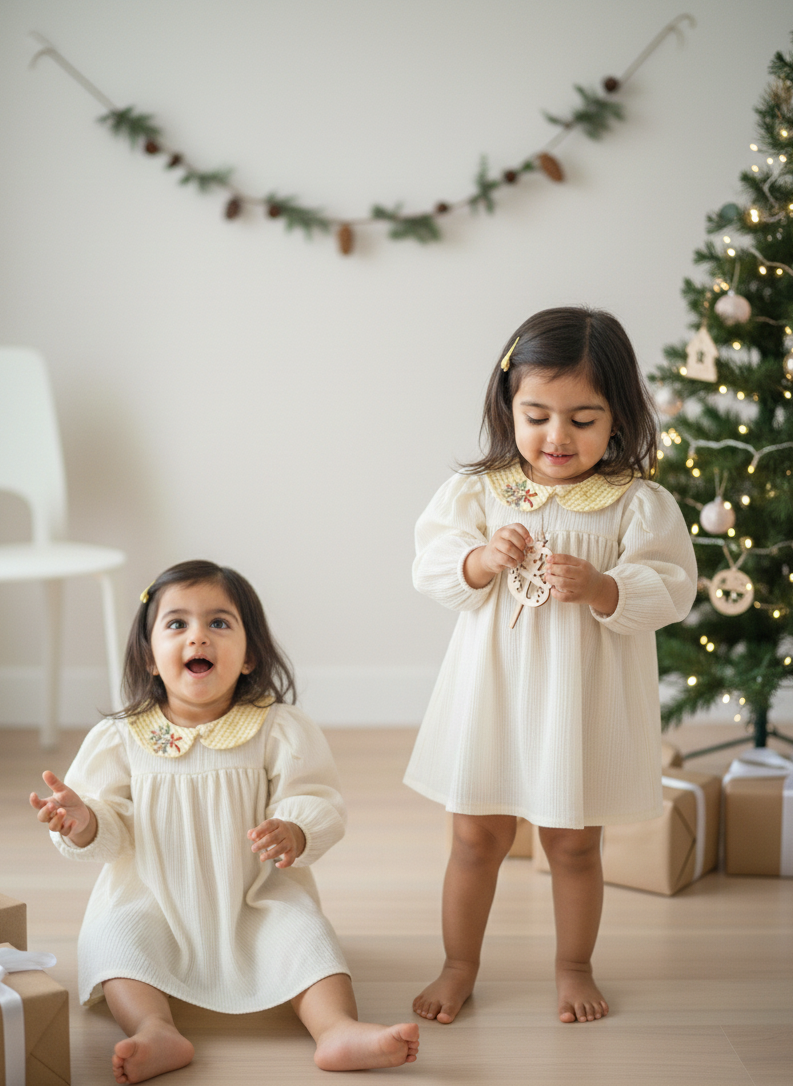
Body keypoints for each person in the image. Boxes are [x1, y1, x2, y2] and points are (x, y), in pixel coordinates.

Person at [405, 307, 697, 1026]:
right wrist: (479, 560)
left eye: (582, 418)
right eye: (535, 415)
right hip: (492, 695)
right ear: (507, 407)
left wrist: (602, 587)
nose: (557, 437)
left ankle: (574, 966)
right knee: (475, 837)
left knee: (572, 843)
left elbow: (671, 587)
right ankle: (458, 962)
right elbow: (433, 566)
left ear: (619, 417)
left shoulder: (636, 503)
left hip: (580, 699)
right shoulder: (478, 492)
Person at [31, 560, 419, 1083]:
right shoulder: (120, 737)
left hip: (254, 896)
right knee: (111, 939)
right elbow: (110, 825)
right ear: (149, 657)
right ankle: (155, 1029)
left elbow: (318, 797)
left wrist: (295, 829)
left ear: (250, 655)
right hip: (151, 898)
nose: (199, 637)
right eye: (177, 624)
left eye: (219, 623)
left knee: (306, 935)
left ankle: (336, 1028)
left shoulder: (277, 728)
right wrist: (83, 821)